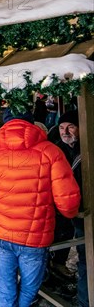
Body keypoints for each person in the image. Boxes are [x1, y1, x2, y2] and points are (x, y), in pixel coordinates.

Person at [0, 109, 81, 307]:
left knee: (4, 286)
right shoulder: (51, 152)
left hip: (1, 233)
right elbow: (67, 202)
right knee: (31, 286)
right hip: (35, 237)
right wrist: (69, 214)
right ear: (31, 123)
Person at [55, 110, 88, 307]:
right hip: (63, 210)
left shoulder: (87, 148)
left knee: (85, 253)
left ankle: (85, 299)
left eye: (70, 127)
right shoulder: (57, 149)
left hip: (84, 211)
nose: (65, 131)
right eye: (61, 127)